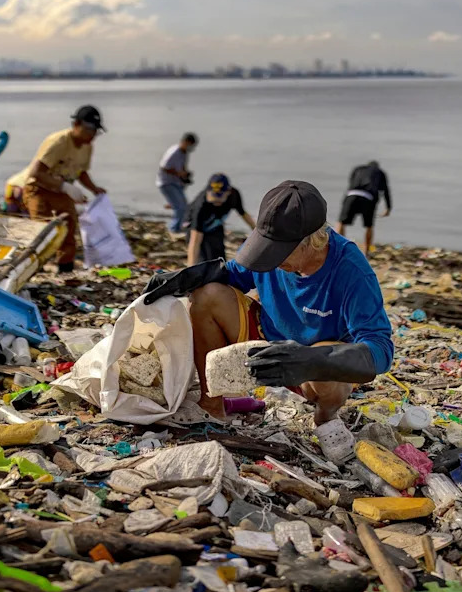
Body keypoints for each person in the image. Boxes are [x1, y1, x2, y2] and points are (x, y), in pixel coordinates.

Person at [143, 181, 393, 462]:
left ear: (312, 241)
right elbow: (236, 274)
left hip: (315, 366)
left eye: (277, 252)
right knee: (207, 295)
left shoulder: (351, 271)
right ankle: (212, 405)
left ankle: (324, 420)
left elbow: (381, 350)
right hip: (267, 344)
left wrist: (311, 359)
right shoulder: (271, 253)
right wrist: (187, 277)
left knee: (326, 357)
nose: (269, 260)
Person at [22, 105, 108, 272]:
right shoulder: (59, 141)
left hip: (61, 191)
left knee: (69, 229)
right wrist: (64, 186)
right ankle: (33, 269)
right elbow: (36, 173)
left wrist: (94, 189)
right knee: (42, 231)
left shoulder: (87, 147)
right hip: (39, 189)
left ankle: (65, 268)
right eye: (89, 129)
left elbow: (82, 172)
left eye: (95, 131)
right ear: (76, 125)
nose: (92, 135)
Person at [183, 173, 256, 265]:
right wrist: (190, 269)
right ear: (208, 191)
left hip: (216, 226)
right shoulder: (201, 207)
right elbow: (194, 242)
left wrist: (256, 231)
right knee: (203, 262)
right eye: (213, 197)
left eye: (219, 197)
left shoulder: (234, 195)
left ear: (228, 191)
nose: (216, 202)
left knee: (219, 260)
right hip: (194, 227)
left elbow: (243, 214)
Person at [335, 160, 391, 254]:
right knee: (369, 226)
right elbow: (385, 190)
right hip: (368, 198)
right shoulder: (380, 172)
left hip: (351, 195)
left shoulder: (358, 169)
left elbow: (351, 182)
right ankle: (366, 252)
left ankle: (339, 247)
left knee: (341, 222)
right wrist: (388, 207)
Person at [157, 132, 198, 235]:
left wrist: (185, 174)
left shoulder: (184, 152)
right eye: (190, 145)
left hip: (177, 183)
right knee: (180, 207)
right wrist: (178, 173)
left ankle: (179, 227)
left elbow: (183, 166)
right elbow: (164, 167)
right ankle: (174, 229)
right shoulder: (174, 151)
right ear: (185, 142)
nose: (191, 147)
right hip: (166, 183)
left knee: (184, 206)